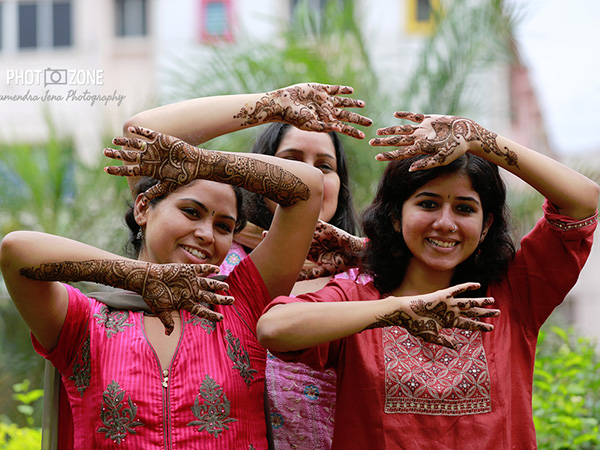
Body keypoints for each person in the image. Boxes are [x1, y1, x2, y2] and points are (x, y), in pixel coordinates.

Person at [0, 83, 371, 450]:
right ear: (143, 207)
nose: (207, 234)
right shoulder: (84, 321)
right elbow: (18, 251)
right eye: (190, 212)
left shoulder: (240, 306)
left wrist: (205, 160)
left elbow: (307, 187)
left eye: (224, 226)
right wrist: (145, 278)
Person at [257, 112, 599, 449]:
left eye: (465, 208)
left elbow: (583, 201)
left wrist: (479, 139)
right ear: (395, 217)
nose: (445, 223)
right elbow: (273, 328)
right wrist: (395, 311)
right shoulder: (358, 298)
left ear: (485, 227)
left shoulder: (515, 293)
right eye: (428, 203)